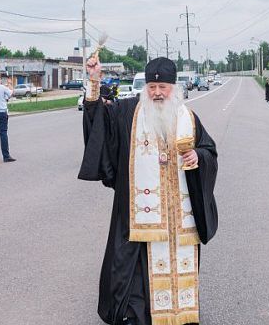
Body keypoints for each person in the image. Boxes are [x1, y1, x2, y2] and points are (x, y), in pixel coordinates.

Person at [79, 54, 219, 325]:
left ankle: (181, 312)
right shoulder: (127, 113)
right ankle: (135, 313)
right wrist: (94, 82)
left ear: (173, 88)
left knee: (178, 260)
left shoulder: (188, 117)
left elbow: (208, 150)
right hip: (139, 211)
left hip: (179, 215)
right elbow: (99, 118)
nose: (156, 93)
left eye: (162, 88)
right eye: (152, 88)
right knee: (134, 265)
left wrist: (199, 157)